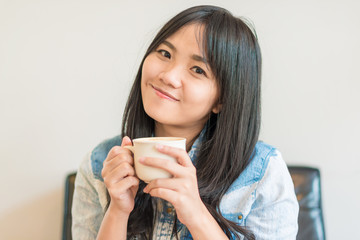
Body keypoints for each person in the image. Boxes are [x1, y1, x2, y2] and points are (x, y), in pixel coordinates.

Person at [72, 5, 299, 240]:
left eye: (198, 69)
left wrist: (195, 214)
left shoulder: (262, 173)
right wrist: (117, 211)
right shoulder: (98, 166)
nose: (168, 76)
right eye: (165, 54)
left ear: (222, 100)